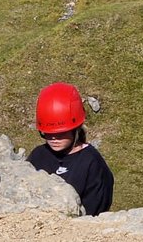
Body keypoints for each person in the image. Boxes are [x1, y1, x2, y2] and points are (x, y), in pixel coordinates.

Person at [27, 82, 114, 216]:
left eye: (61, 133)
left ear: (76, 129)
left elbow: (95, 211)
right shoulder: (38, 155)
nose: (54, 139)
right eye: (47, 133)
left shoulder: (92, 163)